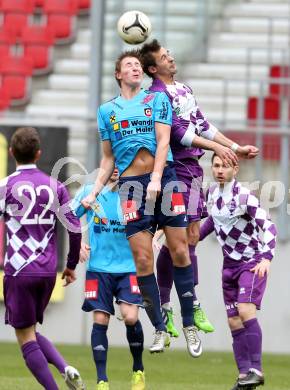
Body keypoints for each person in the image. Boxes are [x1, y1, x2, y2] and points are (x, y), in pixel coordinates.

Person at [81, 49, 202, 357]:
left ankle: (188, 323)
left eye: (138, 65)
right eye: (129, 65)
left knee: (179, 250)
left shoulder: (156, 99)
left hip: (167, 178)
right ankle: (160, 328)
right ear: (119, 74)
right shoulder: (107, 111)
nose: (135, 68)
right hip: (131, 187)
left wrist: (159, 178)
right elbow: (108, 158)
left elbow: (164, 141)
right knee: (143, 261)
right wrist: (95, 190)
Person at [139, 39, 259, 337]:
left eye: (169, 54)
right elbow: (181, 133)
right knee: (178, 237)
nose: (171, 58)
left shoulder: (183, 88)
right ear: (153, 68)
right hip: (173, 167)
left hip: (192, 167)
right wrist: (221, 148)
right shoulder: (157, 95)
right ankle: (175, 305)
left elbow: (202, 123)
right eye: (165, 57)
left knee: (189, 237)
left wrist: (233, 146)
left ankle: (174, 305)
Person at [1, 127, 84, 390]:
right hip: (47, 271)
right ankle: (64, 367)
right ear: (39, 153)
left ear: (12, 152)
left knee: (24, 337)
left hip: (19, 269)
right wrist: (70, 266)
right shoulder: (56, 186)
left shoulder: (5, 186)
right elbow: (74, 228)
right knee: (31, 331)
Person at [199, 154, 277, 390]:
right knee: (233, 321)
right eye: (216, 165)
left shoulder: (244, 196)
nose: (219, 170)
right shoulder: (211, 194)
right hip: (229, 267)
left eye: (224, 166)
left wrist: (267, 257)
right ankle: (244, 376)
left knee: (244, 310)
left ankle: (256, 369)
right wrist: (191, 240)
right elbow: (213, 221)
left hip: (250, 263)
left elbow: (269, 225)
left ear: (235, 168)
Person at [73, 169, 145, 390]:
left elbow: (156, 223)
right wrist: (78, 244)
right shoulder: (89, 191)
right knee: (100, 320)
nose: (115, 168)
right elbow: (68, 216)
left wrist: (152, 241)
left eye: (119, 163)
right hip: (98, 269)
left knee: (130, 316)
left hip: (129, 268)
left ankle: (138, 369)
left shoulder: (134, 194)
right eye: (111, 162)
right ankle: (102, 380)